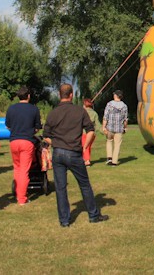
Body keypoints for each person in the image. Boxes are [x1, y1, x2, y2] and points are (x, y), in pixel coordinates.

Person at [44, 83, 109, 227]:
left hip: (58, 153)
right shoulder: (80, 111)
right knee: (84, 185)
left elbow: (46, 136)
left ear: (59, 95)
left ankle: (64, 220)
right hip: (74, 152)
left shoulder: (53, 113)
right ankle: (93, 215)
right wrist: (85, 146)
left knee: (61, 188)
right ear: (71, 95)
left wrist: (55, 143)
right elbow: (91, 130)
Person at [5, 86, 42, 206]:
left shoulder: (11, 108)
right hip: (27, 141)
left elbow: (8, 126)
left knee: (17, 168)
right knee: (24, 170)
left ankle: (18, 192)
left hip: (14, 141)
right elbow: (37, 127)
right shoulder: (34, 109)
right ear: (29, 96)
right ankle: (22, 198)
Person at [103, 90, 128, 166]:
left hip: (110, 127)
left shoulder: (109, 104)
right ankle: (114, 162)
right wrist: (125, 127)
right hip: (119, 129)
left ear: (115, 95)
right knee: (117, 145)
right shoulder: (124, 106)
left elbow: (105, 117)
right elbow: (125, 119)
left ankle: (109, 158)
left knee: (109, 141)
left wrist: (104, 126)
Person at [83, 98, 101, 167]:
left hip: (84, 133)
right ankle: (87, 159)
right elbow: (98, 124)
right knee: (88, 146)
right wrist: (103, 131)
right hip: (93, 133)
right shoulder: (94, 113)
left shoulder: (83, 113)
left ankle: (87, 160)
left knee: (85, 146)